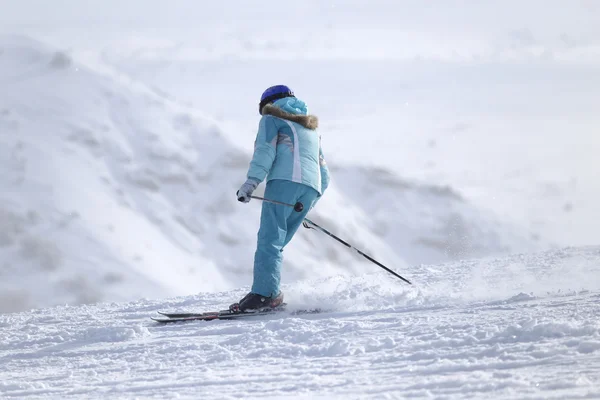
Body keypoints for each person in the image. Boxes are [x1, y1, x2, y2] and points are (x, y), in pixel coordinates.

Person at [230, 85, 330, 312]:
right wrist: (307, 206)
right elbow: (325, 175)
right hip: (311, 189)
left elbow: (265, 151)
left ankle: (266, 295)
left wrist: (251, 183)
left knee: (269, 240)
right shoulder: (311, 129)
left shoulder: (271, 119)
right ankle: (270, 291)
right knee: (276, 244)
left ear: (268, 104)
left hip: (284, 182)